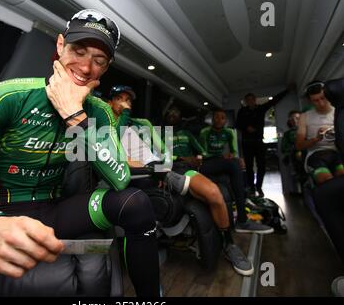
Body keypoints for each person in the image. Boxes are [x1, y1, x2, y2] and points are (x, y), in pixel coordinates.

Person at [0, 9, 160, 297]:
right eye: (79, 51)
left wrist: (76, 117)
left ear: (105, 68)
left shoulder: (100, 111)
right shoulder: (7, 96)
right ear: (60, 46)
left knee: (136, 202)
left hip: (56, 209)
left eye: (99, 61)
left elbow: (119, 180)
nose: (85, 67)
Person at [108, 85, 254, 276]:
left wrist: (164, 167)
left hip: (166, 168)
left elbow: (164, 150)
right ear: (109, 102)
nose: (126, 103)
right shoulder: (104, 128)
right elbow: (114, 157)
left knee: (214, 192)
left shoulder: (141, 123)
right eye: (120, 99)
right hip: (144, 175)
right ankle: (167, 178)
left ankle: (229, 244)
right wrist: (155, 171)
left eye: (129, 100)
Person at [198, 109, 274, 234]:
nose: (218, 120)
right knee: (234, 164)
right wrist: (224, 157)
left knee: (237, 164)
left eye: (222, 118)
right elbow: (203, 153)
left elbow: (233, 151)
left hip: (220, 161)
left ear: (225, 121)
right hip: (206, 162)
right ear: (212, 119)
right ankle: (242, 220)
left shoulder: (229, 132)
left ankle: (244, 201)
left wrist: (234, 157)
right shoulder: (205, 132)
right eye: (216, 117)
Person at [236, 86, 294, 197]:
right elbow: (237, 124)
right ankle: (252, 188)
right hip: (247, 142)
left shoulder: (261, 108)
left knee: (262, 166)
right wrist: (246, 127)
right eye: (248, 100)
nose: (250, 102)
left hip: (259, 142)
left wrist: (287, 90)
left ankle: (259, 187)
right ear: (246, 102)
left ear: (255, 100)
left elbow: (274, 101)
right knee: (248, 167)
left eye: (252, 99)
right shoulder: (242, 111)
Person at [296, 81, 344, 185]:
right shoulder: (304, 117)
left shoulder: (339, 112)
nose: (321, 103)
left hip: (338, 152)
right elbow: (299, 145)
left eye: (323, 98)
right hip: (315, 155)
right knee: (327, 182)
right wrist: (316, 139)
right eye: (316, 101)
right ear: (310, 101)